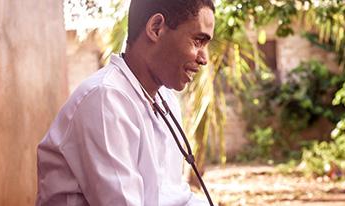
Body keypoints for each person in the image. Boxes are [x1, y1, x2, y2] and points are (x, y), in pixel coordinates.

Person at [35, 0, 215, 205]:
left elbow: (173, 198)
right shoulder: (105, 99)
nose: (204, 59)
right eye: (198, 41)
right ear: (156, 28)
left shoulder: (166, 100)